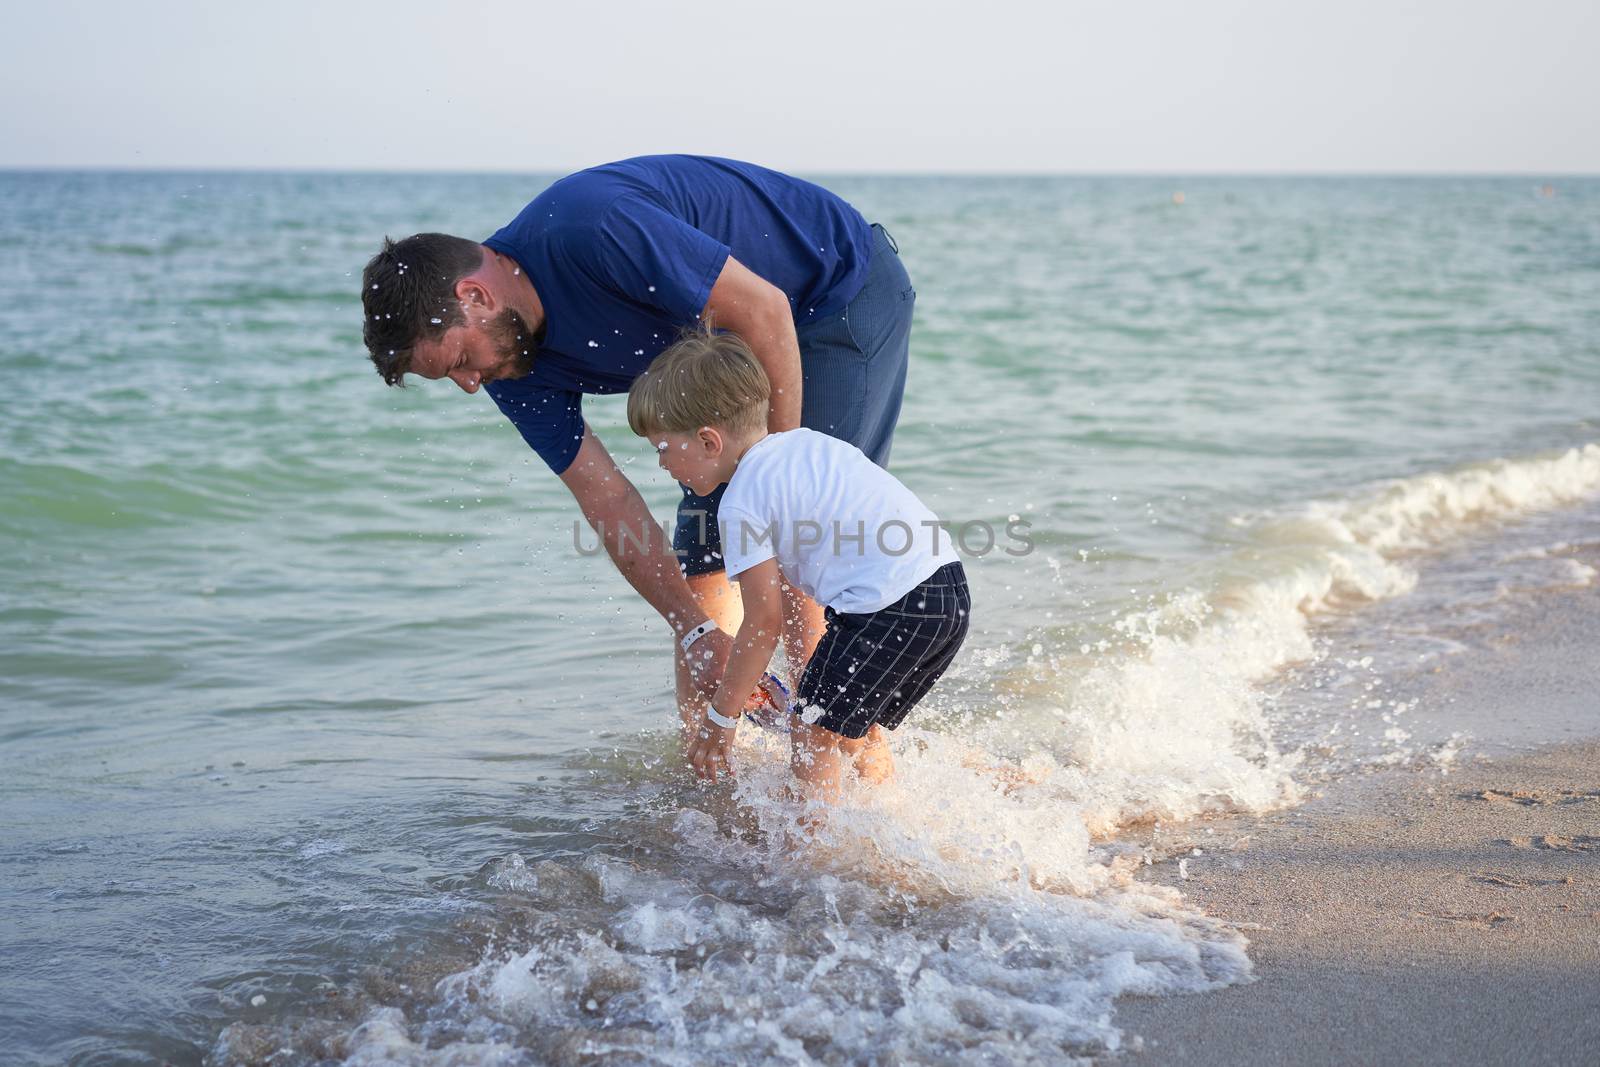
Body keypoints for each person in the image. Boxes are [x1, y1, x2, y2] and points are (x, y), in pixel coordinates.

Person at [359, 156, 916, 739]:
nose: (470, 384)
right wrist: (695, 632)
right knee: (703, 594)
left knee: (802, 574)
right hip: (719, 350)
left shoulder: (594, 228)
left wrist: (778, 484)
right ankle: (715, 810)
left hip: (832, 295)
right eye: (451, 378)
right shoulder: (510, 364)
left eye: (459, 363)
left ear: (474, 295)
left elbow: (764, 308)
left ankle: (849, 803)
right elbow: (607, 501)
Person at [626, 329, 971, 798]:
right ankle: (884, 810)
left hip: (890, 608)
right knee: (846, 721)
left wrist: (721, 717)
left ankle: (809, 853)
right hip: (947, 590)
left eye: (663, 448)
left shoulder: (741, 502)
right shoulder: (807, 444)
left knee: (810, 729)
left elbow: (762, 623)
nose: (663, 465)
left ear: (709, 441)